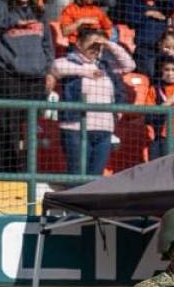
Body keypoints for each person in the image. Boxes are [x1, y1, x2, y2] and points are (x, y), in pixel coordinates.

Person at [0, 0, 51, 173]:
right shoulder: (2, 7)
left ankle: (29, 172)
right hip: (9, 77)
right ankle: (9, 173)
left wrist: (47, 70)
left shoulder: (38, 13)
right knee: (8, 127)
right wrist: (13, 21)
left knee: (31, 130)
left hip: (36, 79)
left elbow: (47, 45)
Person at [51, 29, 134, 176]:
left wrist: (109, 45)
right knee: (77, 175)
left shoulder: (106, 66)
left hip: (104, 128)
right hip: (75, 127)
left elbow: (129, 65)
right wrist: (86, 72)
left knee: (95, 176)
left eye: (99, 45)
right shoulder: (69, 62)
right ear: (79, 44)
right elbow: (56, 67)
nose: (95, 48)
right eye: (92, 44)